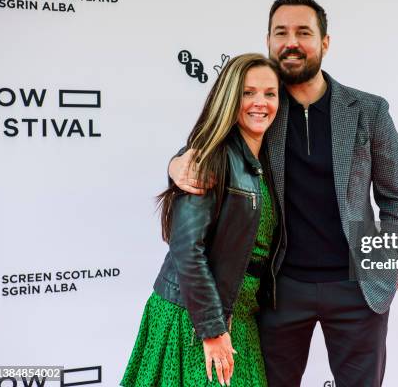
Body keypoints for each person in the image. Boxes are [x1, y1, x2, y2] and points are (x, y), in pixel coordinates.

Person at [169, 0, 398, 387]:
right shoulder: (262, 104)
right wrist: (177, 163)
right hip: (279, 291)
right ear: (268, 41)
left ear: (324, 43)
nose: (291, 42)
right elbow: (209, 144)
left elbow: (396, 203)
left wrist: (389, 265)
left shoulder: (369, 111)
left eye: (304, 32)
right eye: (281, 33)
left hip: (357, 289)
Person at [121, 53, 283, 387]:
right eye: (248, 93)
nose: (260, 103)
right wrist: (211, 329)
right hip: (195, 317)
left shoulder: (267, 157)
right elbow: (186, 247)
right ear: (229, 97)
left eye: (270, 93)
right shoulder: (209, 157)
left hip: (240, 316)